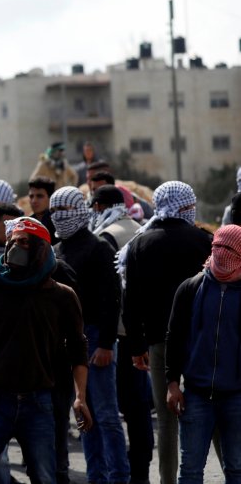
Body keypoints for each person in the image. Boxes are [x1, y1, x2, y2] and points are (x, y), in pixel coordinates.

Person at [0, 217, 92, 484]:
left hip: (38, 401)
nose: (16, 246)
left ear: (40, 248)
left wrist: (80, 397)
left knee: (45, 477)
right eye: (13, 241)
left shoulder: (62, 296)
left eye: (24, 242)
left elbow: (77, 348)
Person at [120, 181, 213, 484]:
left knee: (166, 417)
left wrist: (136, 346)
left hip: (158, 342)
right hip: (203, 342)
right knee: (214, 412)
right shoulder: (204, 241)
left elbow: (131, 301)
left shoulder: (140, 244)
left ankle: (168, 480)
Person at [50, 186, 129, 484]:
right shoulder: (58, 250)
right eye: (55, 211)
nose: (59, 217)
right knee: (84, 415)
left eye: (65, 210)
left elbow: (112, 299)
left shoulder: (98, 248)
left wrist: (107, 343)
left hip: (96, 338)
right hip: (70, 341)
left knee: (107, 415)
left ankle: (119, 476)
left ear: (80, 211)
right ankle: (97, 476)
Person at [165, 225, 241, 484]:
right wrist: (172, 382)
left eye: (229, 249)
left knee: (237, 469)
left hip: (237, 396)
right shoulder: (190, 288)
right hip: (196, 394)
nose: (222, 254)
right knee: (190, 471)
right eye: (218, 247)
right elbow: (174, 338)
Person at [89, 184, 151, 483]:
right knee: (139, 405)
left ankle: (118, 470)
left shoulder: (106, 237)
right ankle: (140, 468)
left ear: (99, 207)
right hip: (143, 331)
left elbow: (111, 292)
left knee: (114, 407)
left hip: (118, 334)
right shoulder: (141, 228)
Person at [27, 176, 57, 244]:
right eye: (31, 196)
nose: (34, 200)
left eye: (39, 196)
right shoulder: (27, 222)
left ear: (51, 198)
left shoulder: (58, 222)